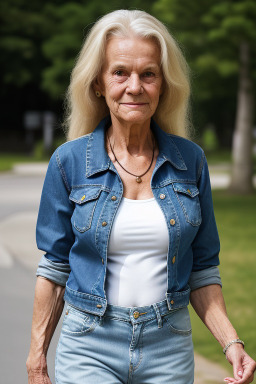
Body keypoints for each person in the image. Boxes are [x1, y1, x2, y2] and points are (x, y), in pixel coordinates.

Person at [26, 9, 256, 384]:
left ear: (163, 84)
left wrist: (232, 343)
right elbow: (54, 269)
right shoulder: (68, 163)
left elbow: (203, 268)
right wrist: (36, 362)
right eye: (120, 72)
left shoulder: (191, 162)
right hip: (89, 344)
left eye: (148, 74)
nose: (135, 86)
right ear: (99, 83)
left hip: (169, 347)